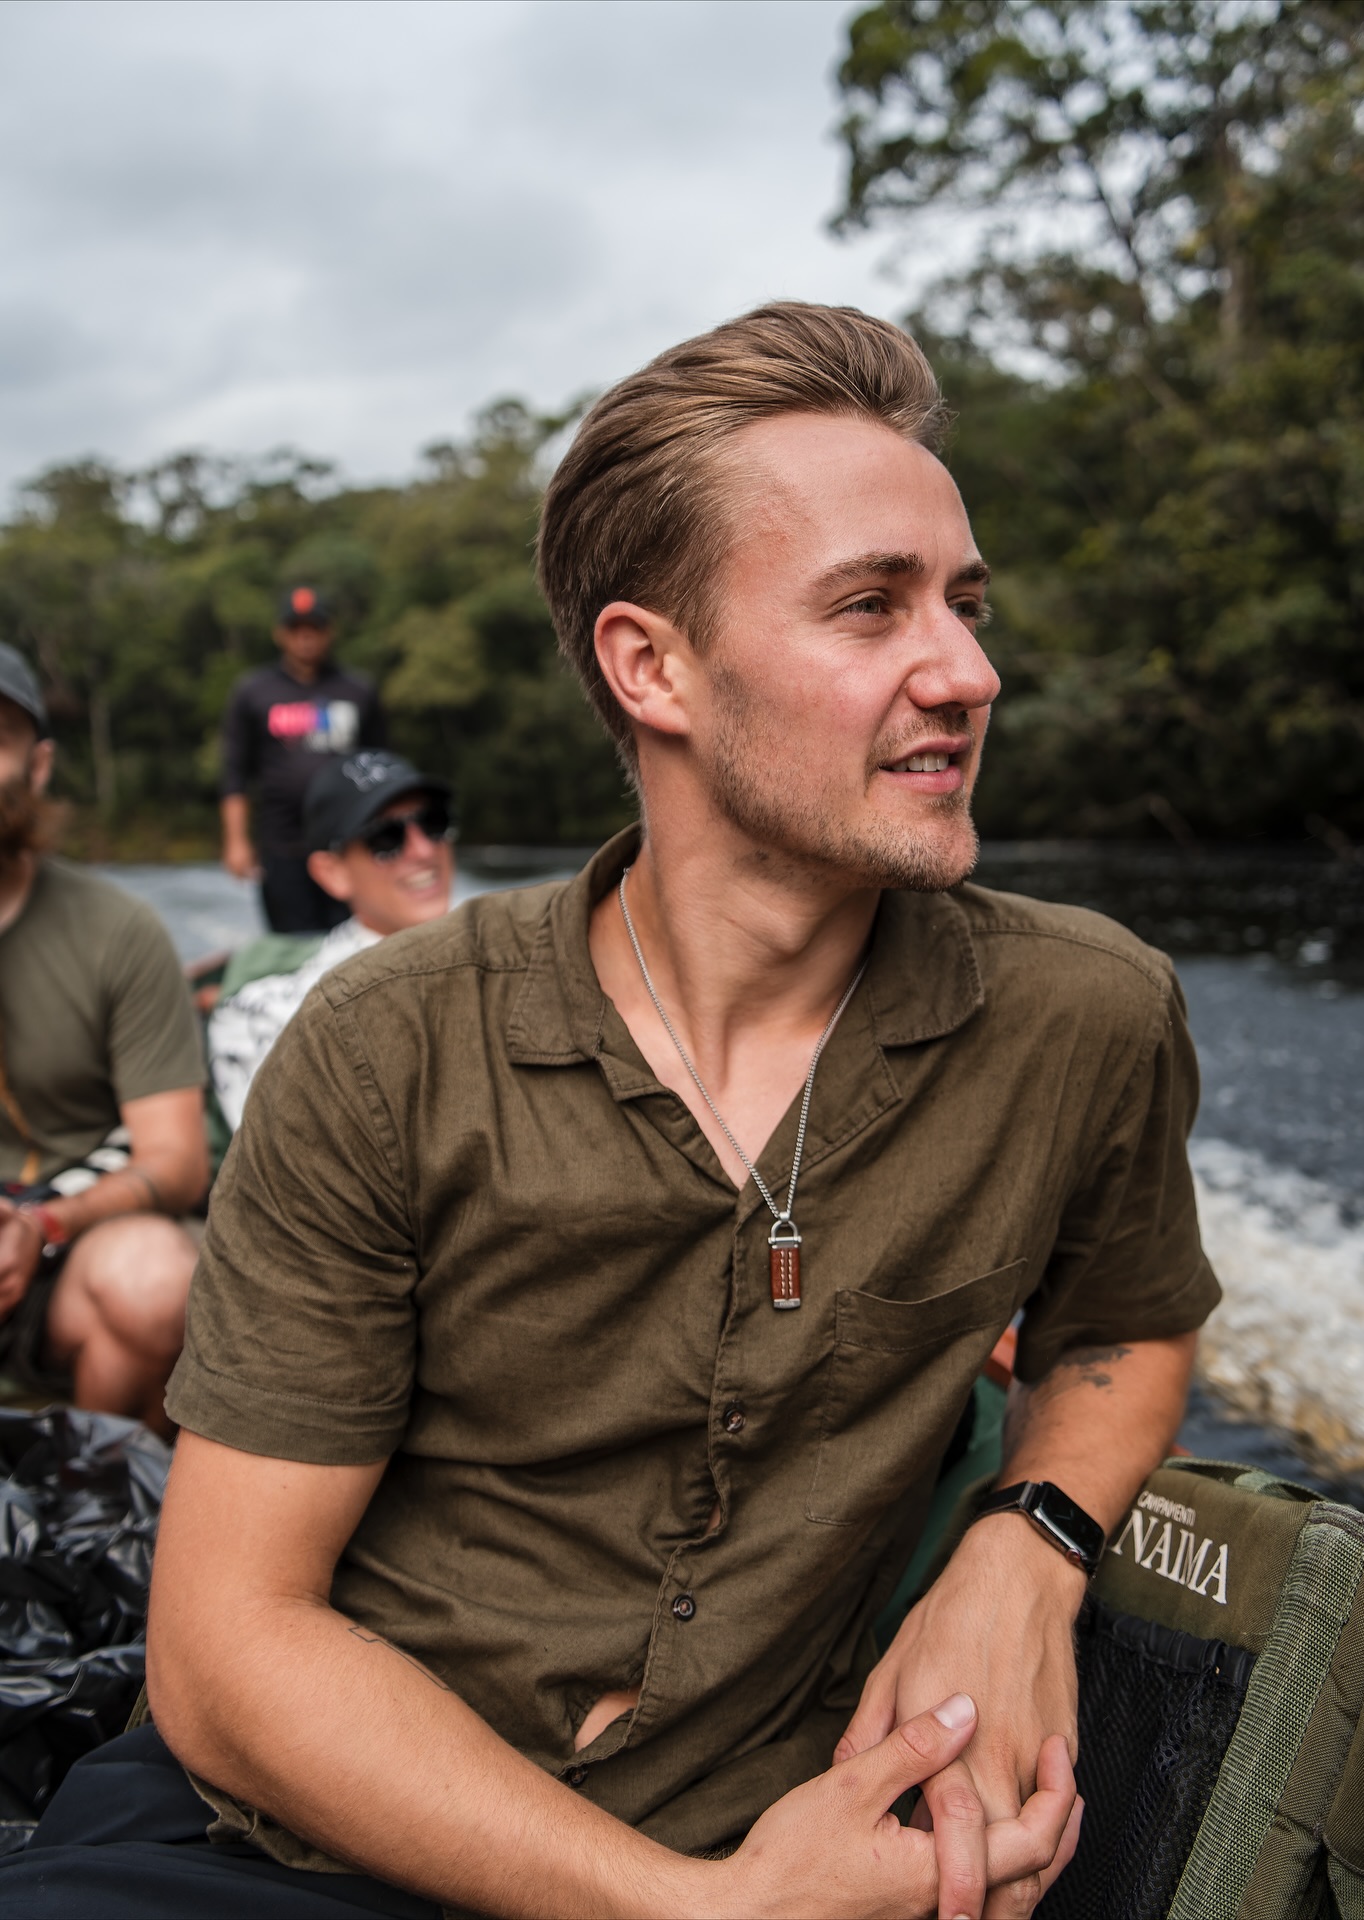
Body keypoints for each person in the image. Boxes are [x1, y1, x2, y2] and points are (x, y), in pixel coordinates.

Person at [3, 305, 1220, 1919]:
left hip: (782, 1819)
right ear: (653, 667)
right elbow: (229, 1657)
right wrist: (693, 1912)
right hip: (309, 1832)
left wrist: (1028, 1542)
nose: (972, 672)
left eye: (968, 605)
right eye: (873, 608)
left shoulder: (1088, 1018)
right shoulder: (390, 1050)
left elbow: (1120, 1333)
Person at [0, 645, 210, 1436]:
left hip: (67, 1240)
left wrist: (41, 1227)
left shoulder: (116, 932)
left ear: (39, 765)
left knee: (155, 1281)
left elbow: (176, 1161)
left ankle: (93, 1516)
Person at [207, 751, 456, 1135]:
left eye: (433, 823)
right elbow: (283, 1173)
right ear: (332, 872)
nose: (423, 850)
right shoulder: (267, 1017)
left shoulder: (520, 956)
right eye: (386, 838)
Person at [220, 585, 387, 935]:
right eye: (296, 628)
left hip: (347, 844)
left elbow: (381, 770)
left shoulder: (357, 690)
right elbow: (235, 773)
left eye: (314, 627)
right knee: (292, 944)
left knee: (352, 943)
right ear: (280, 633)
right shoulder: (253, 691)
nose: (305, 637)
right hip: (281, 846)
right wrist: (236, 841)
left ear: (330, 631)